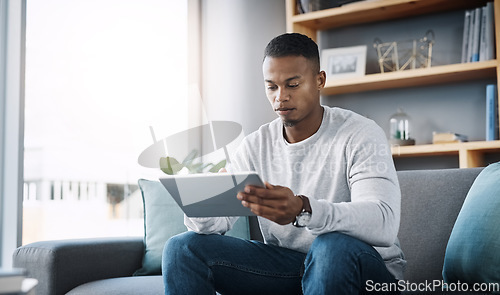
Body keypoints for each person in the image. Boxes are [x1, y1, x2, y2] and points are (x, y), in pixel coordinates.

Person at [162, 33, 405, 295]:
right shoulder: (255, 146)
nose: (281, 97)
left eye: (292, 85)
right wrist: (205, 202)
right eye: (272, 87)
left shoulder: (360, 133)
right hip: (291, 267)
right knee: (182, 248)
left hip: (366, 269)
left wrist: (304, 209)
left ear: (319, 80)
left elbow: (383, 223)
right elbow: (215, 226)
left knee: (329, 246)